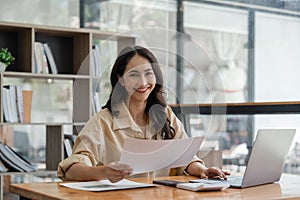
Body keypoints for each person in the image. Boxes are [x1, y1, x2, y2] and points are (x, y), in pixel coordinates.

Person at [57, 45, 229, 183]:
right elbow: (71, 170)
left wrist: (203, 171)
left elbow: (186, 158)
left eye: (148, 73)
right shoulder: (104, 121)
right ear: (120, 79)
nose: (143, 82)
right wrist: (104, 172)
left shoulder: (165, 114)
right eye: (134, 75)